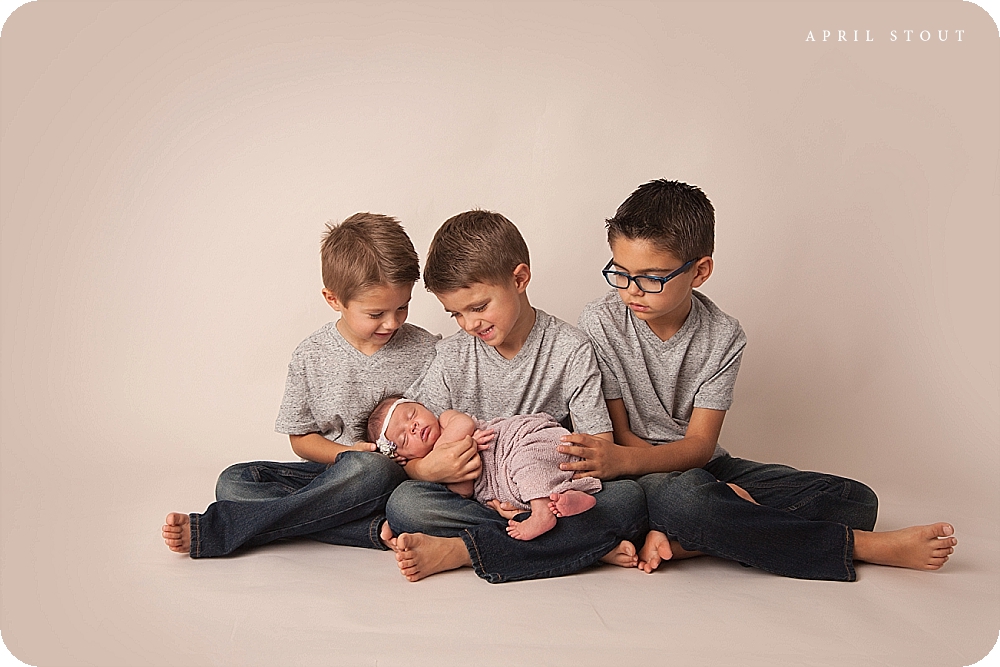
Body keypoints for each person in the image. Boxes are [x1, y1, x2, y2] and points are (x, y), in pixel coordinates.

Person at [570, 179, 957, 580]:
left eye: (652, 277)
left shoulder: (723, 335)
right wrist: (679, 482)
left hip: (696, 467)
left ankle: (691, 536)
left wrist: (716, 490)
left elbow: (701, 447)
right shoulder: (601, 322)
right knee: (685, 500)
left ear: (699, 271)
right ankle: (855, 546)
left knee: (855, 500)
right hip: (636, 473)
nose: (632, 291)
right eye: (620, 273)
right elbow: (620, 439)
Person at [383, 210, 648, 583]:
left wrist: (535, 489)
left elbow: (598, 447)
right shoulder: (450, 357)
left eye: (478, 307)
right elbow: (414, 445)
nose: (470, 324)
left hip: (551, 487)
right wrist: (425, 469)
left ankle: (464, 550)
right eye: (455, 314)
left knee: (629, 500)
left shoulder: (570, 349)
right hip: (486, 500)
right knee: (405, 504)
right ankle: (575, 544)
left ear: (519, 278)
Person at [161, 213, 440, 558]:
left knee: (372, 468)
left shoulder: (426, 349)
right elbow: (300, 439)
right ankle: (359, 529)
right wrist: (344, 454)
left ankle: (227, 527)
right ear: (333, 299)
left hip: (393, 480)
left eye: (403, 307)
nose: (392, 322)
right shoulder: (311, 355)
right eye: (375, 314)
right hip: (329, 479)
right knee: (233, 481)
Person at [367, 395, 602, 540]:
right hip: (504, 478)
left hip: (523, 441)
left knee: (527, 464)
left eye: (412, 414)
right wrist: (443, 465)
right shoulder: (432, 480)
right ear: (404, 458)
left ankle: (542, 514)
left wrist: (453, 450)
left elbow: (465, 424)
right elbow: (465, 490)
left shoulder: (447, 419)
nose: (414, 427)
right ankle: (567, 496)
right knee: (515, 496)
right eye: (405, 438)